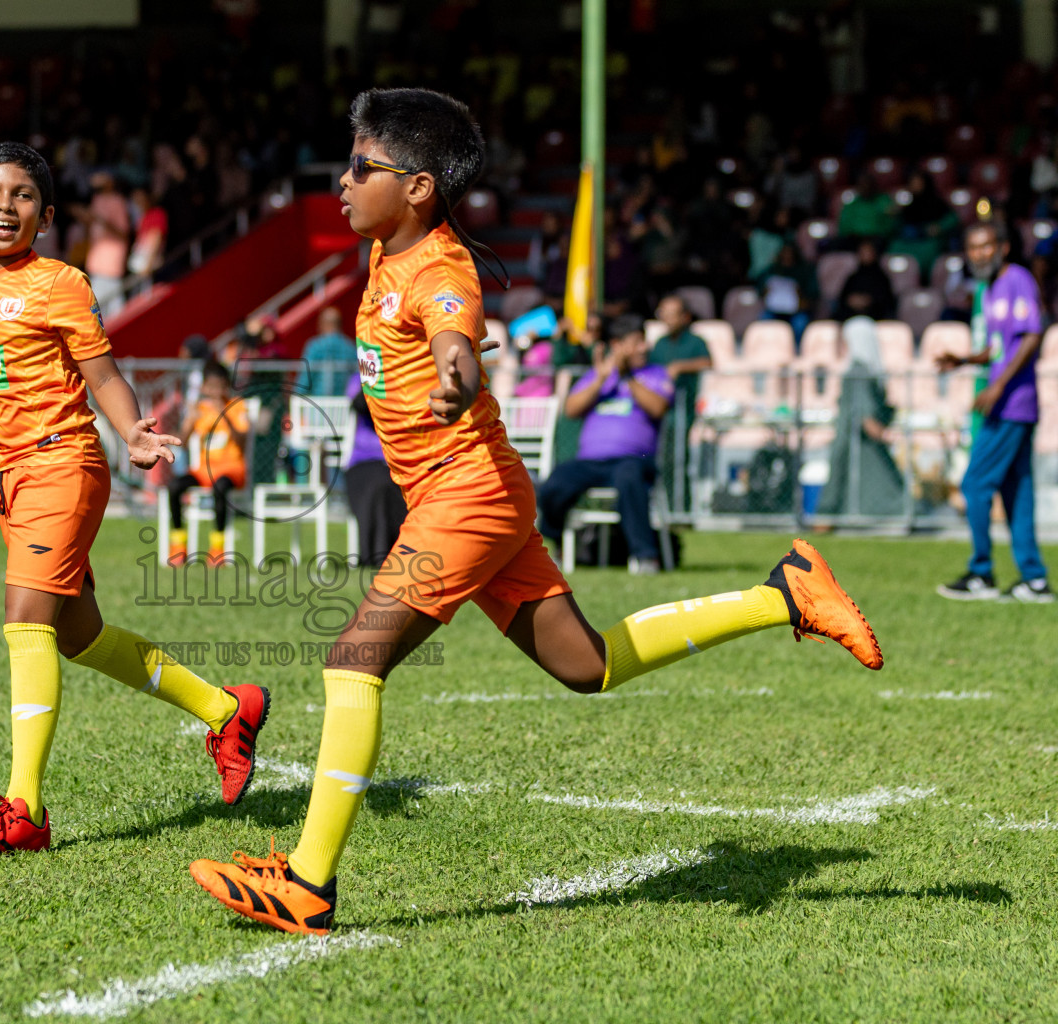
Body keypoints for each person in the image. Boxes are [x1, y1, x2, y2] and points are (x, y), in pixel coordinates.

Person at [188, 88, 883, 936]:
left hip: (466, 494)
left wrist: (458, 376)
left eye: (361, 165)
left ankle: (306, 881)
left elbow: (454, 334)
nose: (342, 179)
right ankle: (784, 595)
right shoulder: (386, 254)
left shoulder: (439, 269)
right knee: (585, 665)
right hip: (479, 491)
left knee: (353, 659)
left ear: (418, 187)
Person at [0, 143, 270, 856]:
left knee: (24, 622)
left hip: (62, 465)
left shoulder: (60, 283)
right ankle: (227, 710)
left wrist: (131, 429)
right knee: (79, 637)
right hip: (12, 482)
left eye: (23, 195)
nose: (6, 206)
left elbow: (102, 375)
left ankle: (24, 810)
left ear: (45, 216)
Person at [935, 221, 1052, 602]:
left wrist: (999, 385)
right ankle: (1033, 580)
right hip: (1003, 402)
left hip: (1012, 404)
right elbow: (997, 348)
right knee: (1017, 491)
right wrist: (964, 359)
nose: (979, 253)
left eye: (986, 246)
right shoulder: (986, 291)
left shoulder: (1018, 278)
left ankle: (981, 574)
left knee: (975, 484)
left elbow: (1033, 333)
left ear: (1002, 247)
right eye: (972, 247)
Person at [537, 315, 673, 573]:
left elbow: (658, 408)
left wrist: (628, 376)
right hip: (591, 462)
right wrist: (601, 380)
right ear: (617, 345)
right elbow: (571, 409)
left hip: (633, 460)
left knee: (629, 478)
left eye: (644, 342)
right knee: (557, 481)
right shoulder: (597, 375)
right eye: (636, 342)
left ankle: (645, 556)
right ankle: (553, 545)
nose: (643, 348)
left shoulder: (655, 374)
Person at [816, 317, 905, 517]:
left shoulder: (857, 372)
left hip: (855, 443)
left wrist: (884, 434)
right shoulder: (864, 372)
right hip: (857, 443)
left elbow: (865, 415)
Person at [166, 360, 250, 566]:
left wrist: (225, 414)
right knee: (175, 486)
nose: (214, 392)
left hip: (232, 470)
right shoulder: (200, 409)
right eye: (210, 387)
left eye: (219, 387)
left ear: (226, 386)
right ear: (203, 387)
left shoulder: (237, 406)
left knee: (220, 487)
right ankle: (179, 544)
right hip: (204, 471)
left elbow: (242, 441)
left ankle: (217, 547)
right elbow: (182, 443)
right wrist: (189, 420)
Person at [648, 294, 712, 515]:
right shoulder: (660, 343)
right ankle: (661, 509)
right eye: (663, 313)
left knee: (678, 461)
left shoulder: (695, 342)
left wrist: (680, 367)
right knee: (660, 461)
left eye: (672, 314)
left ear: (684, 317)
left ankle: (682, 510)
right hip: (659, 411)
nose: (666, 318)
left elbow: (707, 362)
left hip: (681, 411)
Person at [342, 372, 406, 566]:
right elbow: (359, 404)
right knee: (381, 484)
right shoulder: (359, 378)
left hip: (402, 461)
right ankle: (378, 554)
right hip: (365, 461)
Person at [83, 171, 130, 317]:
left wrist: (102, 221)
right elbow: (91, 229)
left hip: (111, 268)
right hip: (95, 266)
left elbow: (123, 233)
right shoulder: (96, 200)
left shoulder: (117, 201)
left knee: (112, 317)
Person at [296, 306, 358, 397]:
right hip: (344, 404)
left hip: (318, 404)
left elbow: (305, 379)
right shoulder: (351, 347)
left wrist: (297, 397)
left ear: (323, 324)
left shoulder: (315, 346)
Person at [834, 238, 897, 321]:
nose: (865, 255)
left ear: (875, 254)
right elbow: (843, 298)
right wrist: (852, 300)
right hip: (850, 316)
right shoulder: (853, 276)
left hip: (875, 317)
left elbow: (887, 302)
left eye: (868, 252)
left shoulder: (882, 278)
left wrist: (868, 301)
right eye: (862, 252)